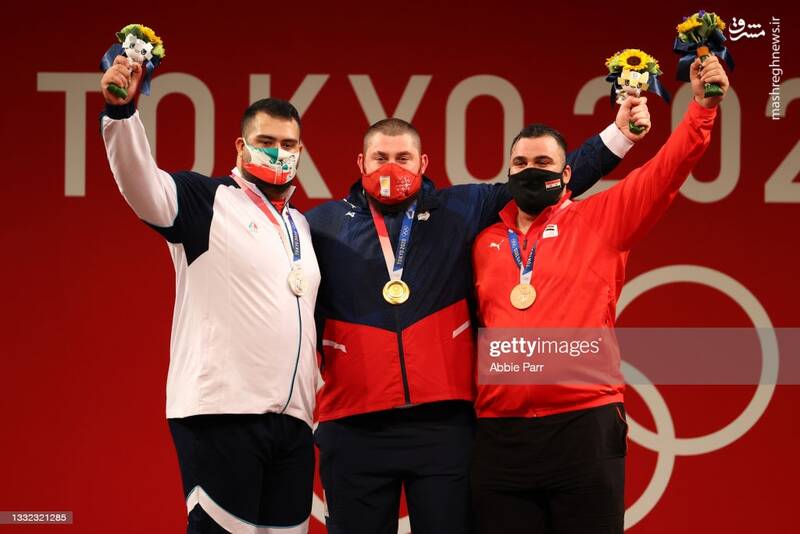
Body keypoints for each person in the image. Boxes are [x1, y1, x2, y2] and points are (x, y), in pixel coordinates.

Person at [306, 94, 651, 532]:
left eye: (403, 158)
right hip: (354, 423)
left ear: (423, 163)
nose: (391, 168)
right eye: (380, 158)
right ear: (361, 162)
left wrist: (620, 135)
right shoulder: (320, 225)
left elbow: (545, 182)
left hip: (443, 425)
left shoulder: (460, 209)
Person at [470, 56, 729, 533]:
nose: (530, 172)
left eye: (543, 163)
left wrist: (702, 110)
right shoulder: (483, 240)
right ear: (507, 173)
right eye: (520, 164)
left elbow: (667, 170)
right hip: (499, 434)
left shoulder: (600, 220)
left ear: (568, 174)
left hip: (583, 425)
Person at [100, 55, 320, 533]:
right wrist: (121, 114)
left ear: (301, 151)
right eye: (266, 142)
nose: (278, 153)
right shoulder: (206, 200)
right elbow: (142, 184)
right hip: (222, 414)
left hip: (293, 425)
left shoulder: (301, 226)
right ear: (241, 146)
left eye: (288, 145)